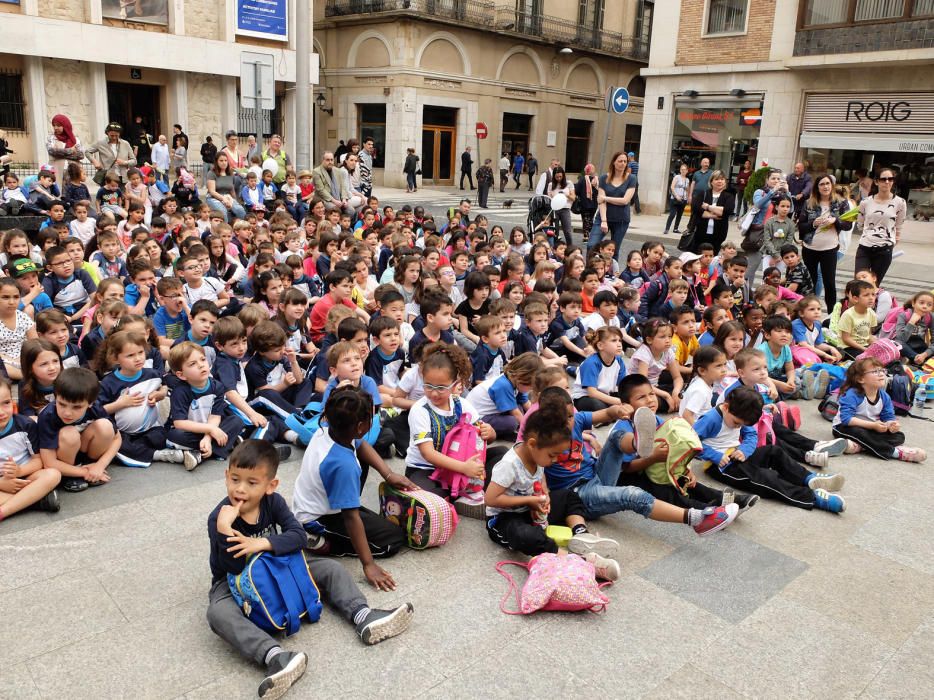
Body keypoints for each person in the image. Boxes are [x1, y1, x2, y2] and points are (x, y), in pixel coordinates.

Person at [207, 440, 414, 700]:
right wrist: (225, 529)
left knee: (329, 568)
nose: (240, 489)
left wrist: (262, 543)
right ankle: (276, 657)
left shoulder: (274, 503)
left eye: (252, 482)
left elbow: (298, 536)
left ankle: (363, 616)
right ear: (226, 476)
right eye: (235, 479)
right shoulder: (219, 518)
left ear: (271, 485)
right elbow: (232, 565)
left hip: (277, 563)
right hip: (233, 580)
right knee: (218, 613)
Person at [294, 384, 416, 582]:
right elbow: (351, 517)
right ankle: (319, 542)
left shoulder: (330, 428)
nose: (374, 419)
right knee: (393, 539)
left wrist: (389, 474)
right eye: (372, 417)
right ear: (360, 427)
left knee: (364, 463)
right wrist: (368, 564)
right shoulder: (344, 466)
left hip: (321, 503)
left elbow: (360, 444)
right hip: (319, 519)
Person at [831, 358, 926, 462]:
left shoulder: (884, 396)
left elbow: (888, 417)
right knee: (859, 433)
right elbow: (846, 419)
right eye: (875, 371)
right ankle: (895, 453)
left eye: (882, 370)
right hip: (845, 427)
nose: (881, 374)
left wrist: (891, 425)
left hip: (870, 429)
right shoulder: (852, 394)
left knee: (899, 436)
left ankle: (859, 446)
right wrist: (873, 425)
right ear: (860, 379)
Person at [802, 173, 852, 311]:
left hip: (829, 249)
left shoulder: (841, 203)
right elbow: (801, 227)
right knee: (810, 281)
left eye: (827, 183)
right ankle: (808, 311)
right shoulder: (809, 203)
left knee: (829, 282)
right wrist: (813, 223)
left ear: (832, 185)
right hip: (810, 248)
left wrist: (835, 221)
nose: (825, 187)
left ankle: (832, 315)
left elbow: (848, 225)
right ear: (817, 187)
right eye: (822, 184)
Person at [854, 167, 906, 285]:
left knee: (874, 285)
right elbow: (860, 224)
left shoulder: (900, 202)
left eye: (890, 179)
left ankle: (873, 304)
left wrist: (895, 238)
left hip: (884, 249)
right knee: (859, 284)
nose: (887, 182)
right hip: (865, 247)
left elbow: (899, 224)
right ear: (876, 181)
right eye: (883, 179)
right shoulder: (865, 202)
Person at [588, 151, 637, 260]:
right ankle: (590, 272)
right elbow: (601, 203)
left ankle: (612, 274)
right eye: (620, 161)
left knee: (614, 250)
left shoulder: (631, 179)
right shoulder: (604, 178)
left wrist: (606, 198)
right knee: (591, 245)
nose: (623, 163)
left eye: (625, 161)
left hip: (621, 220)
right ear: (614, 162)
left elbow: (625, 201)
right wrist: (604, 221)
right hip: (603, 217)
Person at [691, 170, 734, 257]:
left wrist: (708, 207)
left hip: (718, 234)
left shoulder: (728, 196)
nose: (719, 181)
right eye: (717, 179)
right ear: (711, 181)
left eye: (722, 179)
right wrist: (713, 215)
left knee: (712, 257)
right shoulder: (703, 193)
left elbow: (727, 211)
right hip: (700, 232)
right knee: (698, 257)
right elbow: (696, 208)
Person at [206, 152, 246, 223]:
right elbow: (212, 191)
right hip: (214, 197)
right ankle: (225, 230)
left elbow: (232, 189)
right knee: (223, 211)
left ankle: (240, 229)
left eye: (225, 160)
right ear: (216, 162)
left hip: (227, 197)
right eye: (221, 161)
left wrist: (235, 201)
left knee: (240, 210)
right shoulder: (211, 173)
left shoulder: (230, 173)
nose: (224, 163)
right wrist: (223, 199)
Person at [46, 114, 84, 184]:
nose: (55, 128)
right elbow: (52, 152)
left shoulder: (75, 139)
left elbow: (81, 155)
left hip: (72, 172)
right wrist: (70, 150)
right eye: (54, 125)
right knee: (58, 193)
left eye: (58, 125)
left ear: (65, 126)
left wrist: (60, 154)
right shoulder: (51, 138)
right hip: (56, 171)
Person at [575, 164, 600, 242]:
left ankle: (586, 236)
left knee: (585, 219)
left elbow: (577, 190)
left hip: (585, 203)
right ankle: (591, 234)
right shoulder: (597, 180)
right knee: (591, 219)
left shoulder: (582, 179)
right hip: (594, 203)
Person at [664, 163, 689, 235]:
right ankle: (667, 229)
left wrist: (686, 198)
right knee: (672, 214)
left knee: (679, 215)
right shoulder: (677, 177)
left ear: (687, 171)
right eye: (682, 169)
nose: (683, 171)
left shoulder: (687, 180)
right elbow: (672, 187)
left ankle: (676, 228)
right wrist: (676, 196)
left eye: (684, 169)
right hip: (675, 199)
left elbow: (687, 189)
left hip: (683, 200)